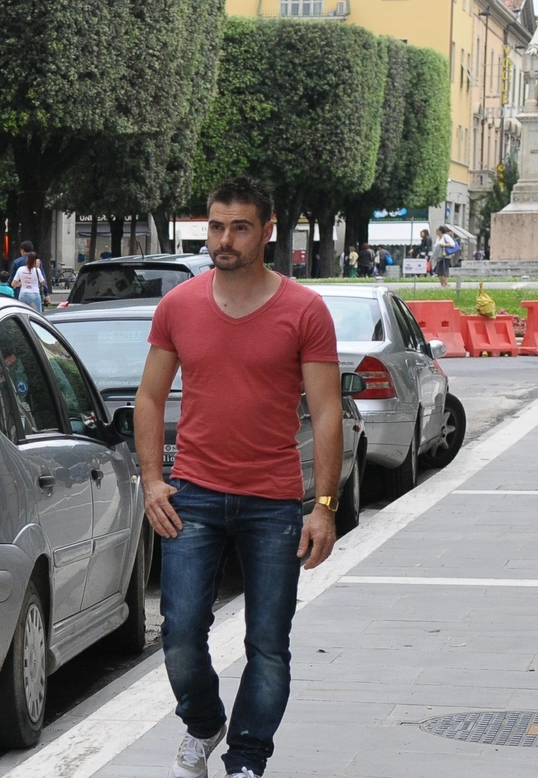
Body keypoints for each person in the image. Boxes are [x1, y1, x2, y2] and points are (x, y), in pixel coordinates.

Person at [135, 176, 340, 778]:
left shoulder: (304, 309)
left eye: (240, 227)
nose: (225, 239)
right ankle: (204, 724)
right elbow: (150, 398)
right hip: (192, 494)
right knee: (178, 635)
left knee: (268, 645)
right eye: (216, 226)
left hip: (273, 501)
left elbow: (327, 411)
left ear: (268, 231)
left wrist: (323, 505)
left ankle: (247, 760)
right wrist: (153, 480)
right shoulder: (179, 305)